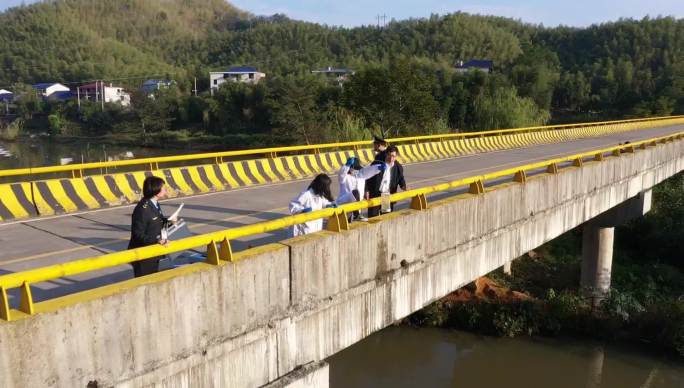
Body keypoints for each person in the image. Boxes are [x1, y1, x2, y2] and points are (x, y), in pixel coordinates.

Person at [128, 176, 177, 277]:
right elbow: (138, 234)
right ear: (156, 190)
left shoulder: (155, 203)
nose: (166, 190)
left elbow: (158, 221)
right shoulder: (143, 209)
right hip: (144, 255)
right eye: (163, 188)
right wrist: (156, 241)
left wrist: (169, 222)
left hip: (154, 251)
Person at [365, 145, 407, 218]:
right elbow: (367, 177)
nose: (391, 158)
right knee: (372, 218)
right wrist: (366, 190)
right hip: (375, 194)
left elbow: (401, 179)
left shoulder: (398, 167)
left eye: (393, 156)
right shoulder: (377, 163)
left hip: (386, 196)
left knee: (386, 218)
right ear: (386, 154)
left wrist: (404, 187)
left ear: (396, 156)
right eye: (389, 155)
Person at [337, 156, 382, 221]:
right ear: (350, 168)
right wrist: (346, 165)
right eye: (355, 169)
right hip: (345, 205)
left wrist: (378, 168)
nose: (356, 171)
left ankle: (357, 215)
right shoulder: (344, 178)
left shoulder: (361, 176)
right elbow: (341, 174)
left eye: (358, 169)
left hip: (357, 208)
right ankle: (357, 215)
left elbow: (369, 171)